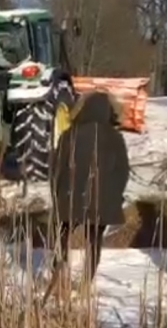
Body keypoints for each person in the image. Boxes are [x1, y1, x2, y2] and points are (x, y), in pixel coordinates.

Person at [49, 90, 130, 285]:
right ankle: (86, 282)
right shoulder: (115, 138)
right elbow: (123, 171)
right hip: (102, 199)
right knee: (94, 241)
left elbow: (56, 168)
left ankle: (58, 274)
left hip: (69, 197)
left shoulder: (69, 136)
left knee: (62, 235)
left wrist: (57, 194)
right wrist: (115, 196)